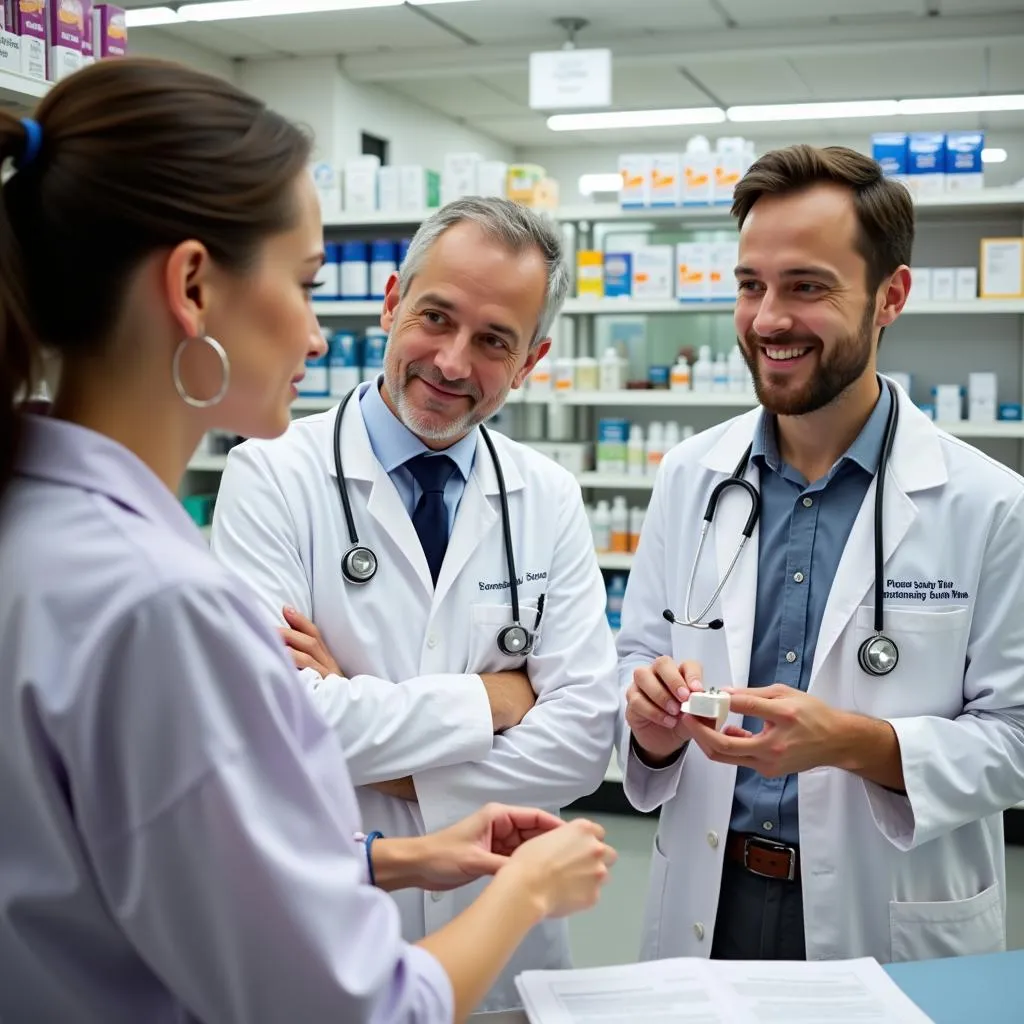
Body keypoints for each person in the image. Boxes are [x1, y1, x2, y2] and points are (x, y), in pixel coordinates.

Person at [0, 58, 617, 1024]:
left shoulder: (35, 524)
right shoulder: (158, 600)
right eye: (305, 280)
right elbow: (352, 1004)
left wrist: (392, 824)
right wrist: (503, 754)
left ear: (532, 358)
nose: (320, 337)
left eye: (495, 341)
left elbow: (179, 854)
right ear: (195, 287)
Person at [617, 143, 1024, 965]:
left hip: (890, 914)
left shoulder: (990, 504)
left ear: (890, 296)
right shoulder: (692, 477)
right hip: (710, 901)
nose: (768, 319)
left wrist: (850, 741)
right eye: (750, 286)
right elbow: (636, 666)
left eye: (806, 287)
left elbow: (1015, 739)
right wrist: (648, 719)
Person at [209, 197, 620, 1009]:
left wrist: (378, 749)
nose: (455, 363)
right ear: (393, 302)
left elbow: (581, 744)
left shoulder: (548, 497)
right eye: (437, 317)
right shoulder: (272, 475)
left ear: (532, 360)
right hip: (335, 933)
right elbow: (280, 723)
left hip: (507, 955)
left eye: (495, 341)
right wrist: (496, 698)